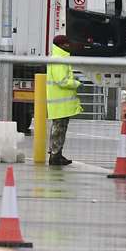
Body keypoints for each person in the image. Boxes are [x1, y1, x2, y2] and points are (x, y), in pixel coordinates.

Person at [46, 34, 82, 166]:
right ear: (61, 45)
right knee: (58, 130)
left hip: (61, 104)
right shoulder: (58, 60)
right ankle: (55, 156)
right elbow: (62, 81)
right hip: (60, 104)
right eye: (67, 44)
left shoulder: (60, 58)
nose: (69, 46)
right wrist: (76, 83)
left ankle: (57, 154)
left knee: (59, 130)